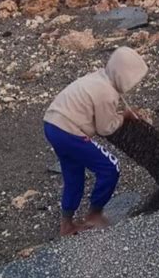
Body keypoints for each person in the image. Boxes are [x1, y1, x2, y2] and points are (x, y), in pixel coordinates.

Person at [44, 47, 148, 236]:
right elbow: (105, 128)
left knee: (73, 173)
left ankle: (66, 224)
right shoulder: (106, 93)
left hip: (52, 124)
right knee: (110, 167)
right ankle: (95, 213)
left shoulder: (99, 77)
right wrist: (123, 117)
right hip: (69, 130)